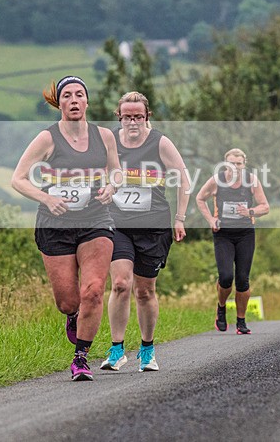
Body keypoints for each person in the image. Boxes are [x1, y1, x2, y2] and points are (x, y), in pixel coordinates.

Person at [11, 75, 119, 381]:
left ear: (87, 101)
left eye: (79, 95)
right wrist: (46, 197)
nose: (74, 100)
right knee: (68, 301)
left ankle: (81, 357)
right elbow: (18, 178)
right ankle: (73, 315)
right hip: (55, 224)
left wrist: (111, 187)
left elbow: (117, 172)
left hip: (96, 219)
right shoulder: (46, 138)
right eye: (67, 95)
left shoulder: (104, 136)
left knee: (94, 291)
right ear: (59, 102)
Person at [99, 91, 190, 372]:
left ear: (147, 116)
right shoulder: (110, 142)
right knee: (120, 284)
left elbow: (184, 180)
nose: (133, 121)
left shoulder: (160, 142)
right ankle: (117, 350)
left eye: (138, 116)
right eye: (127, 117)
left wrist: (180, 218)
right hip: (118, 223)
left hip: (153, 226)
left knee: (144, 291)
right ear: (119, 117)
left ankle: (147, 350)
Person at [196, 148, 270, 335]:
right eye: (231, 163)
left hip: (245, 233)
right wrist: (211, 220)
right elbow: (199, 198)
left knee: (243, 279)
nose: (235, 167)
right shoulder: (217, 180)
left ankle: (241, 321)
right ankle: (221, 308)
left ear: (244, 164)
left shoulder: (251, 180)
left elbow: (265, 207)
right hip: (223, 234)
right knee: (226, 277)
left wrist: (250, 212)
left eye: (239, 163)